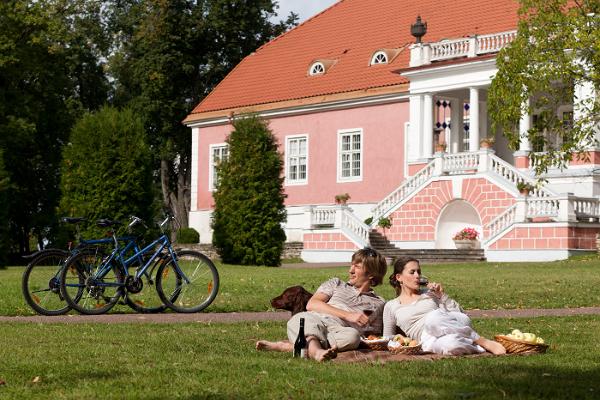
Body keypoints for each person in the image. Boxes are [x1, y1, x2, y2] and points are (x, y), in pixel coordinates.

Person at [256, 248, 388, 361]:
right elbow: (312, 304)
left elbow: (374, 335)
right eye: (351, 265)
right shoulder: (336, 283)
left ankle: (292, 346)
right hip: (316, 319)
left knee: (353, 337)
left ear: (371, 274)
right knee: (303, 319)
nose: (350, 270)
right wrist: (348, 315)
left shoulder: (379, 303)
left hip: (340, 331)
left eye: (357, 267)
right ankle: (317, 352)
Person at [383, 258, 506, 355]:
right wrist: (400, 338)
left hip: (446, 322)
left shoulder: (430, 293)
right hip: (427, 340)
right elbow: (387, 337)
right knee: (451, 345)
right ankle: (477, 347)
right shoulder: (391, 306)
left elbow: (461, 316)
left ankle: (481, 340)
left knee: (433, 318)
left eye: (418, 272)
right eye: (412, 272)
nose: (417, 276)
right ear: (399, 277)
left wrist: (441, 295)